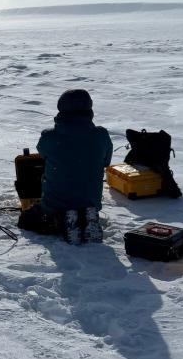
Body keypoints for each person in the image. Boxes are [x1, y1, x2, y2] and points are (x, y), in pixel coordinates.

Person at [17, 89, 113, 244]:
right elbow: (106, 162)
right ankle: (86, 216)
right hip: (91, 201)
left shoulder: (49, 136)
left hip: (55, 204)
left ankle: (61, 220)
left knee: (25, 220)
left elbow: (42, 154)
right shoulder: (101, 134)